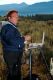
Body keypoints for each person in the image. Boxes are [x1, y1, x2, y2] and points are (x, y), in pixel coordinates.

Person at [1, 10, 31, 80]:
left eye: (18, 17)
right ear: (9, 18)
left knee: (14, 73)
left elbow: (13, 39)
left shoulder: (10, 27)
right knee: (14, 75)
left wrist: (22, 40)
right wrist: (24, 38)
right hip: (12, 54)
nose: (17, 18)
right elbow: (11, 40)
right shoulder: (8, 27)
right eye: (15, 17)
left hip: (13, 53)